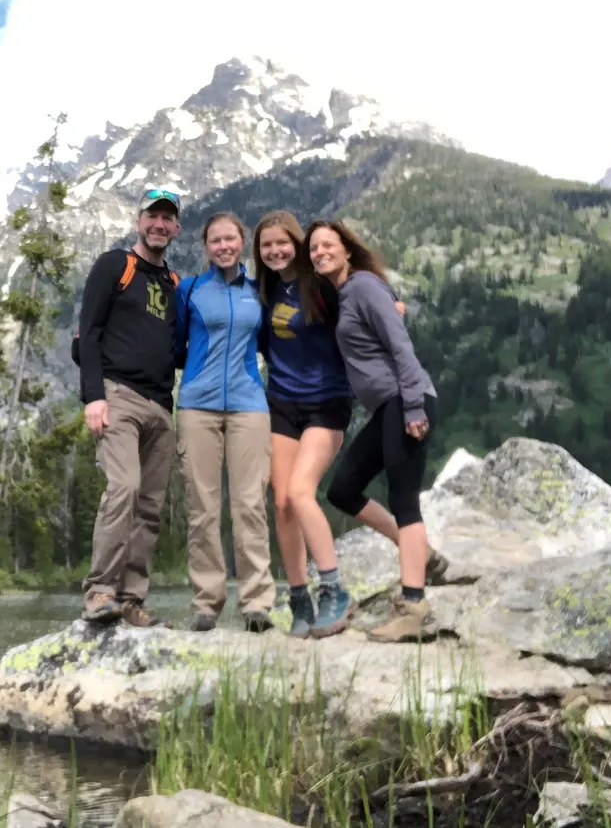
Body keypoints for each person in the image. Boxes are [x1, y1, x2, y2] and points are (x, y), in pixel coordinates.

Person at [253, 211, 434, 640]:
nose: (277, 251)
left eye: (285, 243)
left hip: (330, 403)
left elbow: (384, 321)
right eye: (266, 246)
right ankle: (300, 596)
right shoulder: (266, 291)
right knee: (287, 501)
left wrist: (394, 310)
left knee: (303, 493)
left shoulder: (329, 288)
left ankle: (340, 590)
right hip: (282, 402)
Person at [307, 219, 440, 642]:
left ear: (347, 249)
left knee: (404, 497)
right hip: (386, 407)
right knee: (343, 489)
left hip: (405, 400)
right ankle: (419, 552)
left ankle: (415, 605)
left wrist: (415, 406)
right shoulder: (346, 294)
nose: (319, 252)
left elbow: (400, 345)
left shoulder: (363, 285)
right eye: (313, 249)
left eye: (327, 245)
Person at [76, 187, 184, 627]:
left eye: (168, 218)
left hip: (162, 407)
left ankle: (132, 600)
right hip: (117, 395)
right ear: (139, 220)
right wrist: (93, 396)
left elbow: (179, 348)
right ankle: (100, 591)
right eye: (152, 216)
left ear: (176, 228)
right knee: (123, 487)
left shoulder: (174, 284)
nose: (159, 224)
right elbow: (87, 333)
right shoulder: (115, 265)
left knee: (150, 506)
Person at [172, 212, 273, 634]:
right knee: (202, 507)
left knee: (250, 503)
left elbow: (268, 343)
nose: (223, 246)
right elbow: (178, 345)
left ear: (242, 241)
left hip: (250, 404)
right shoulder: (191, 290)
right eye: (215, 240)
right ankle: (207, 603)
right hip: (197, 405)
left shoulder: (259, 293)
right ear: (206, 246)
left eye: (230, 238)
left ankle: (256, 603)